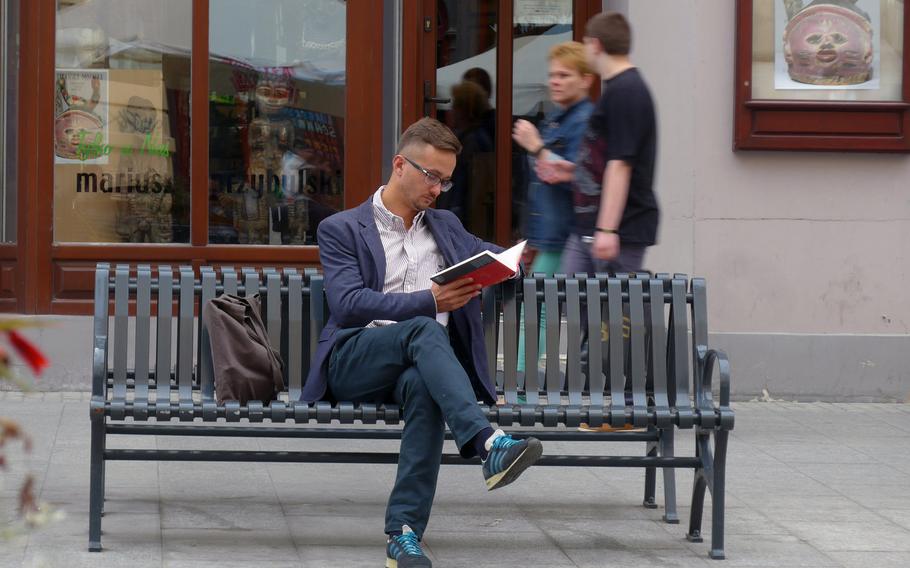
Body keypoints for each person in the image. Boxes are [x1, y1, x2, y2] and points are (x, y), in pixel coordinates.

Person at [303, 117, 543, 568]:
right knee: (425, 327)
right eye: (431, 176)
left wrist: (511, 264)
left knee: (424, 387)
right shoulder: (342, 228)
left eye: (446, 181)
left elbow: (498, 257)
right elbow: (349, 303)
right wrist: (429, 299)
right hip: (355, 357)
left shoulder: (444, 225)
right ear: (399, 165)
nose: (438, 189)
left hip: (416, 363)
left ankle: (404, 534)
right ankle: (488, 444)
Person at [537, 12, 659, 276]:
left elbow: (621, 165)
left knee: (613, 315)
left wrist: (607, 229)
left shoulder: (627, 91)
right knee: (573, 304)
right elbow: (605, 159)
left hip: (620, 229)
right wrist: (572, 171)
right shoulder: (617, 89)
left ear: (596, 45)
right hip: (589, 227)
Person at [511, 41, 594, 374]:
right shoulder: (560, 119)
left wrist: (536, 146)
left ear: (586, 79)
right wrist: (531, 238)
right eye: (552, 75)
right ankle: (522, 382)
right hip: (552, 234)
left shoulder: (584, 121)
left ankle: (520, 385)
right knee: (541, 305)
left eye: (565, 75)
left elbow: (580, 175)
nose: (555, 81)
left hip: (566, 234)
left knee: (539, 307)